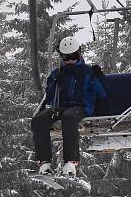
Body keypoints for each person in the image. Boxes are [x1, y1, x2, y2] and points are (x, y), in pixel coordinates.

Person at [31, 36, 108, 178]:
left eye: (73, 56)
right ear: (61, 57)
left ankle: (71, 162)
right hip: (61, 106)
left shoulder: (88, 72)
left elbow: (102, 94)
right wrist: (55, 82)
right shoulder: (58, 73)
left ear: (79, 54)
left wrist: (98, 78)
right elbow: (49, 95)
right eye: (66, 57)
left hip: (82, 107)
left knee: (69, 117)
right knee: (38, 119)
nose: (70, 60)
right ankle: (44, 163)